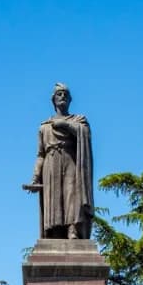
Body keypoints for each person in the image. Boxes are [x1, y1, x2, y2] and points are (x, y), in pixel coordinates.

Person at [24, 83, 93, 240]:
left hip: (71, 161)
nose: (62, 97)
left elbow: (85, 134)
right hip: (50, 163)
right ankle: (55, 233)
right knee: (54, 200)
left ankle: (73, 230)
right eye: (59, 94)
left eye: (65, 94)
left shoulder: (78, 120)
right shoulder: (44, 127)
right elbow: (40, 154)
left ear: (70, 100)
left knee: (71, 194)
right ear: (53, 100)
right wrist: (35, 177)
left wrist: (66, 125)